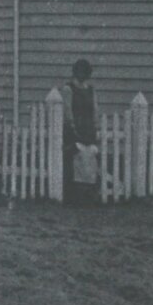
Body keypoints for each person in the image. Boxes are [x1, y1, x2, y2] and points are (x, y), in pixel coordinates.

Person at [63, 59, 100, 205]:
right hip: (75, 130)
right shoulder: (68, 89)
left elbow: (95, 111)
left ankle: (89, 194)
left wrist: (95, 128)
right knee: (78, 156)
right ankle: (76, 194)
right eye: (79, 71)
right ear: (75, 72)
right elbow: (67, 110)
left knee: (91, 155)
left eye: (85, 72)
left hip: (88, 130)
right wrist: (72, 127)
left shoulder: (91, 90)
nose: (82, 74)